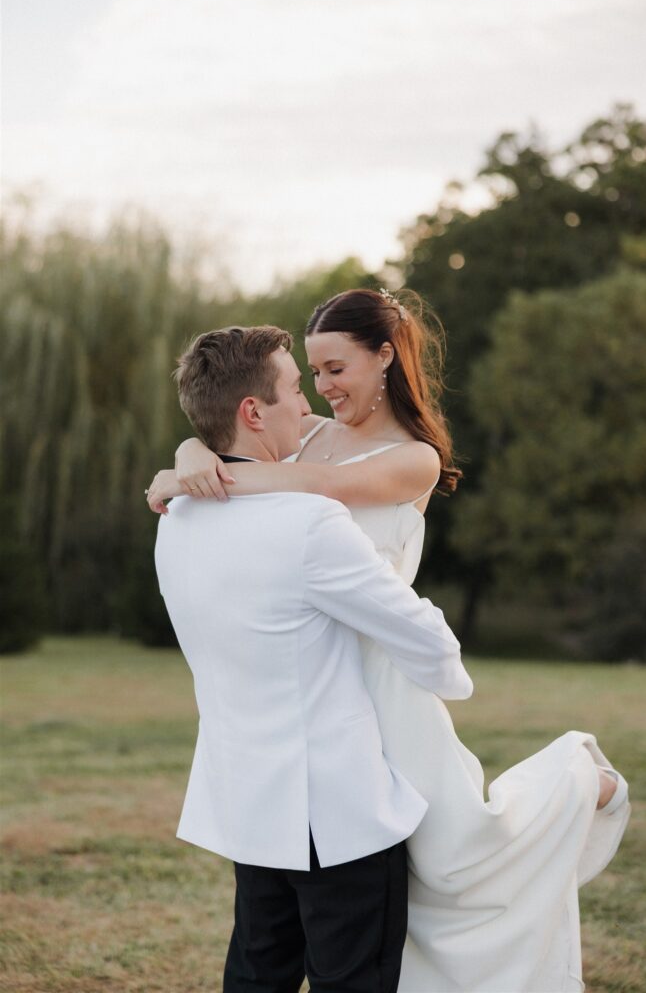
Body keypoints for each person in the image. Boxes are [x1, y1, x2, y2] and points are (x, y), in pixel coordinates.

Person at [148, 290, 630, 993]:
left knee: (459, 857)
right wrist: (197, 446)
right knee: (353, 904)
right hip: (317, 673)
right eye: (310, 375)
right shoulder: (305, 432)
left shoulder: (413, 460)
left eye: (336, 367)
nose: (321, 389)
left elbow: (313, 484)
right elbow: (238, 416)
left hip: (381, 677)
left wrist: (202, 470)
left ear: (384, 357)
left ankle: (580, 783)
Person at [154, 323, 473, 993]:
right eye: (297, 388)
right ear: (252, 411)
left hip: (247, 800)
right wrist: (439, 677)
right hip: (340, 815)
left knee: (256, 974)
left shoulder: (175, 518)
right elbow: (431, 647)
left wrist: (187, 455)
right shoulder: (309, 522)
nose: (309, 403)